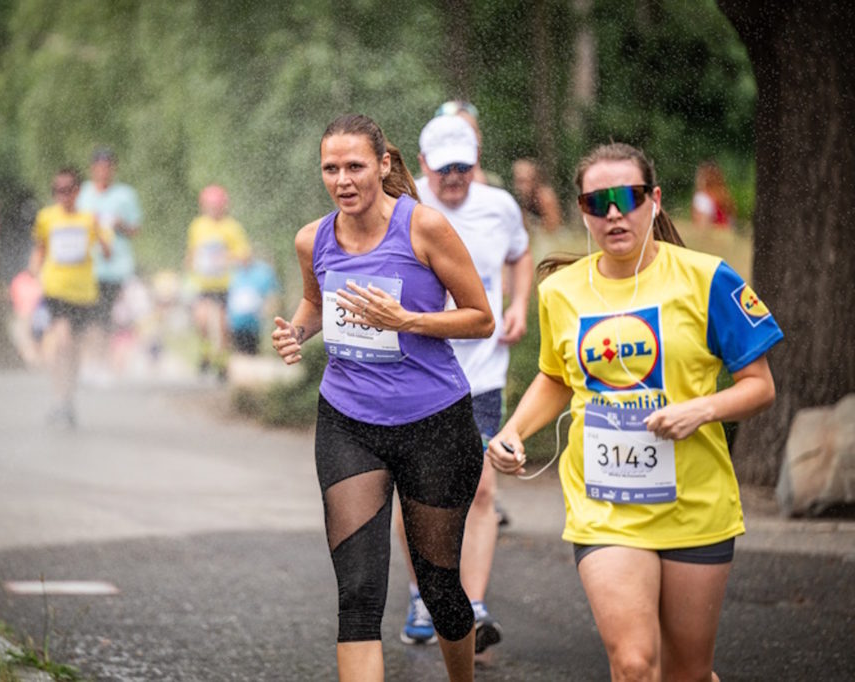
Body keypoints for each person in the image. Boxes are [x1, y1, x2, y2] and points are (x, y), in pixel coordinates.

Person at [487, 143, 782, 681]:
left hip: (694, 505)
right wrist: (513, 430)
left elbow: (760, 387)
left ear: (656, 200)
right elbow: (556, 377)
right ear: (582, 211)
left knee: (688, 673)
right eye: (598, 202)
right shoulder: (562, 291)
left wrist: (701, 410)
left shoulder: (707, 279)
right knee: (633, 662)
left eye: (629, 197)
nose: (615, 213)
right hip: (606, 504)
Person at [271, 113, 493, 682]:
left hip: (435, 424)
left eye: (354, 166)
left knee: (440, 588)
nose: (342, 179)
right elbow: (317, 306)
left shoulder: (424, 228)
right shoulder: (312, 239)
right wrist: (295, 333)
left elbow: (481, 319)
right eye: (330, 168)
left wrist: (408, 320)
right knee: (359, 595)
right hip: (349, 422)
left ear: (384, 166)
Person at [393, 115, 532, 654]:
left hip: (480, 371)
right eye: (444, 167)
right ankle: (422, 594)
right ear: (423, 164)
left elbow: (520, 253)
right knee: (416, 493)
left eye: (464, 166)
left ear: (478, 160)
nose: (454, 177)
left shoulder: (499, 205)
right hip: (419, 368)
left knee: (480, 489)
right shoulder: (404, 206)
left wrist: (519, 304)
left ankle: (471, 608)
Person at [29, 168, 110, 429]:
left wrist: (102, 232)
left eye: (67, 190)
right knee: (62, 343)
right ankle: (60, 399)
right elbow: (40, 249)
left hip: (83, 292)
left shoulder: (89, 219)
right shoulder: (46, 218)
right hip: (55, 289)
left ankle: (66, 400)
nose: (62, 195)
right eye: (57, 191)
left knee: (73, 350)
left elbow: (107, 251)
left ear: (77, 191)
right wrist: (34, 269)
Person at [75, 147, 142, 379]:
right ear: (92, 168)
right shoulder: (82, 193)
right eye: (99, 167)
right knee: (86, 317)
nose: (104, 171)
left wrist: (119, 224)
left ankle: (100, 364)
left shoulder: (125, 195)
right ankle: (87, 362)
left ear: (114, 168)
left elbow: (135, 229)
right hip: (84, 264)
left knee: (102, 317)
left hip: (114, 267)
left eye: (108, 166)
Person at [185, 184, 250, 378]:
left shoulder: (232, 227)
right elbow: (192, 251)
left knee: (222, 326)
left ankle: (222, 363)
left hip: (224, 284)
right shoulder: (198, 226)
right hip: (203, 283)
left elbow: (245, 255)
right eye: (209, 206)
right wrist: (189, 265)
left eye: (216, 206)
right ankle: (206, 354)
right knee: (202, 320)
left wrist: (226, 258)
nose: (213, 210)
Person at [434, 100, 503, 187]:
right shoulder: (421, 187)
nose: (469, 138)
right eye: (460, 131)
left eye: (473, 130)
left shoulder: (494, 184)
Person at [226, 249, 280, 355]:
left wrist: (268, 312)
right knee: (237, 351)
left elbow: (272, 296)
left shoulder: (263, 272)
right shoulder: (232, 272)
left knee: (251, 351)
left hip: (254, 323)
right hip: (234, 323)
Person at [512, 158, 562, 233]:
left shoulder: (545, 198)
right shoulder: (518, 200)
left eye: (524, 181)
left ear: (534, 180)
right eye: (518, 181)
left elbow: (554, 228)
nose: (521, 187)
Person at [691, 161, 736, 229]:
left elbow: (702, 225)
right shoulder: (724, 195)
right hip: (726, 236)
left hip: (711, 237)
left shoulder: (702, 197)